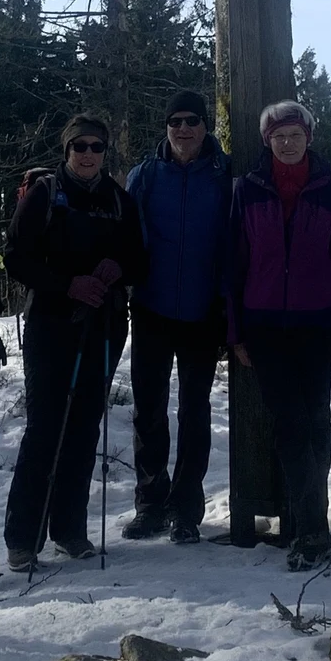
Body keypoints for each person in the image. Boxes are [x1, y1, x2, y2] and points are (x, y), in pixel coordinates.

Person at [1, 114, 149, 568]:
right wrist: (67, 284)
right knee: (46, 429)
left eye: (96, 147)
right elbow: (16, 258)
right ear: (66, 152)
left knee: (84, 429)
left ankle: (69, 528)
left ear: (106, 153)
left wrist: (117, 268)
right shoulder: (45, 195)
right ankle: (23, 538)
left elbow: (139, 259)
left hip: (103, 325)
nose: (88, 155)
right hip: (51, 323)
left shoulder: (118, 199)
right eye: (79, 147)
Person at [226, 99, 331, 569]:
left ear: (309, 138)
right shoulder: (248, 189)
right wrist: (235, 333)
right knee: (291, 425)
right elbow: (234, 264)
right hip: (264, 328)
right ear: (267, 141)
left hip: (319, 324)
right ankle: (309, 529)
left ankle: (312, 525)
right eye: (278, 136)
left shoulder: (327, 188)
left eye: (294, 135)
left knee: (317, 422)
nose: (286, 143)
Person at [122, 88, 232, 544]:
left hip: (203, 310)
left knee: (194, 411)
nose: (183, 129)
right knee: (149, 410)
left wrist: (227, 304)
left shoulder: (225, 176)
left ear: (205, 126)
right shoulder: (145, 176)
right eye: (175, 122)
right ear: (165, 128)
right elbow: (126, 237)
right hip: (151, 307)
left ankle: (186, 508)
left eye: (192, 120)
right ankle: (150, 502)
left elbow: (234, 240)